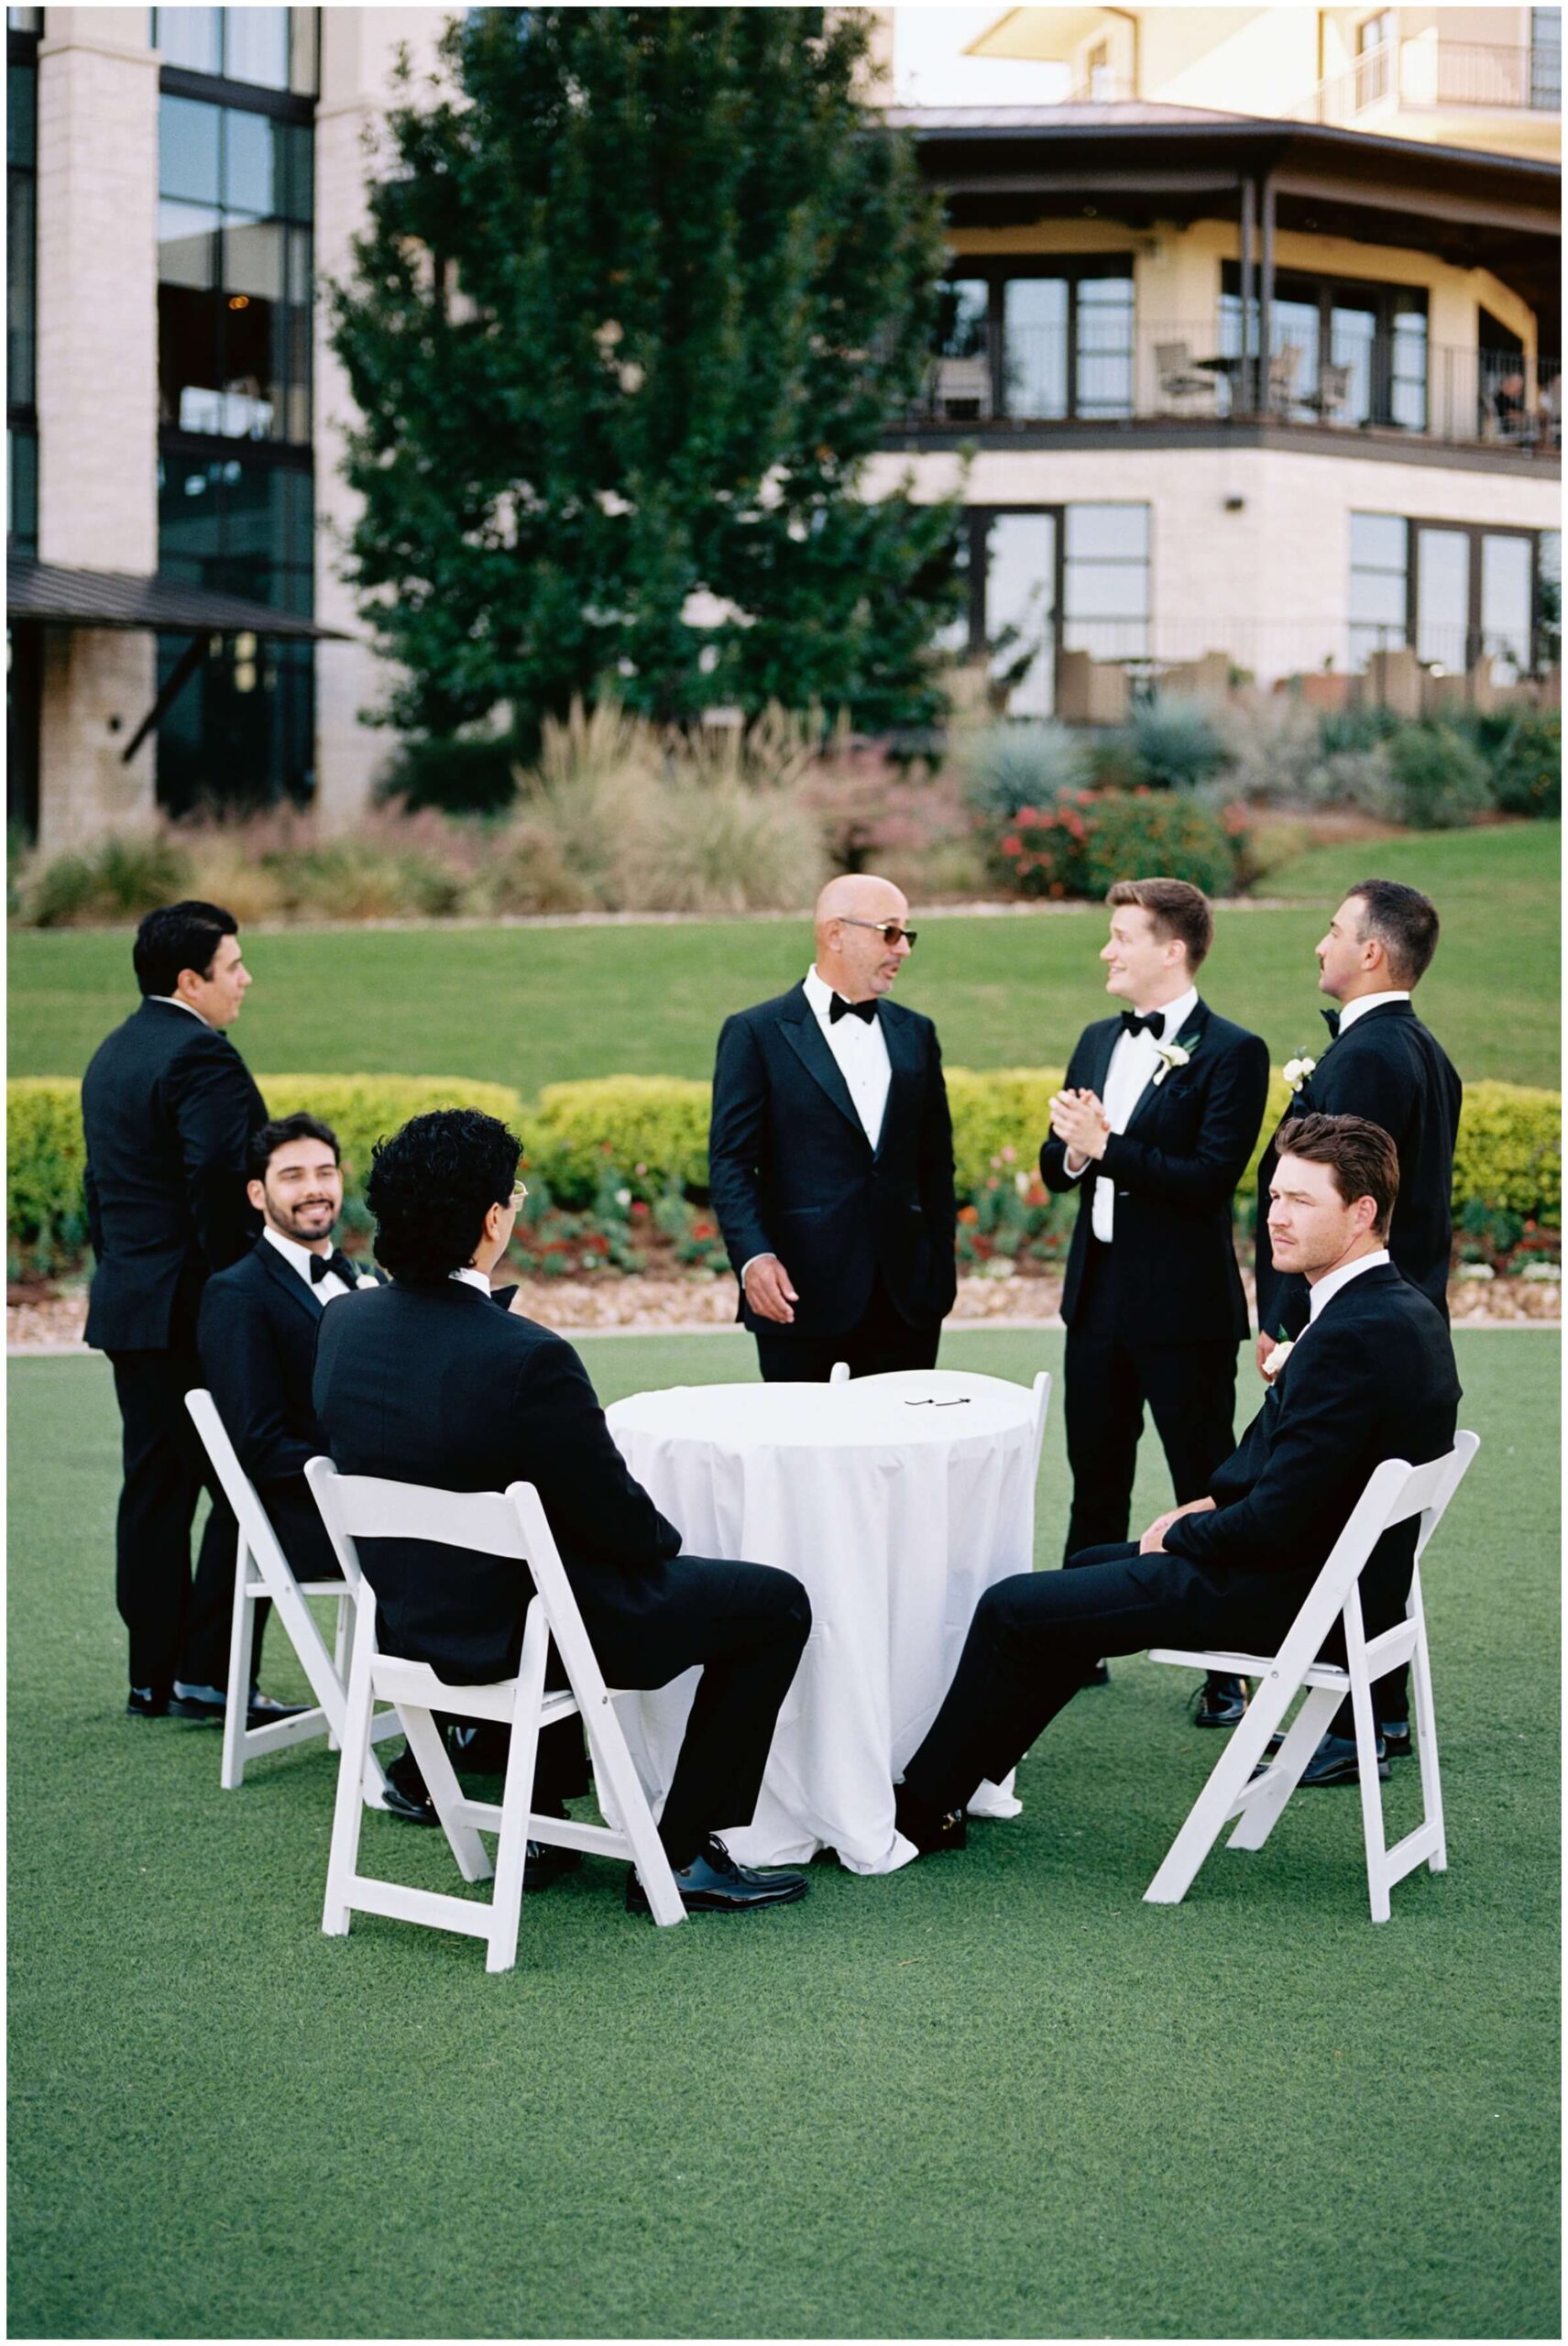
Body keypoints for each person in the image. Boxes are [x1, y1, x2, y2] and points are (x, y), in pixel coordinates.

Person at [894, 1115, 1462, 1851]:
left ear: (1361, 1212)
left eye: (1300, 1201)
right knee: (1088, 1566)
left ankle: (920, 1806)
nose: (1275, 1218)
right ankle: (963, 1781)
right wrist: (1210, 1503)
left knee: (1009, 1606)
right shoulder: (1396, 1309)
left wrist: (1181, 1532)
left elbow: (1276, 1523)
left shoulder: (1352, 1333)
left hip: (1292, 1595)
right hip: (1339, 1582)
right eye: (1274, 1197)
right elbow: (1301, 1471)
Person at [313, 1108, 814, 1915]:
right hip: (522, 1635)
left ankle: (540, 1824)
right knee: (775, 1602)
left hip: (406, 1625)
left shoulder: (343, 1325)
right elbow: (622, 1526)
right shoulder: (525, 1357)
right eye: (511, 1194)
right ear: (488, 1221)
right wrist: (666, 1536)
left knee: (534, 1567)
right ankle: (683, 1851)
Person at [1041, 878, 1270, 1728]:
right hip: (1095, 1301)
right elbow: (1053, 1163)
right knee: (1091, 1481)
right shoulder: (1097, 1038)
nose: (1107, 950)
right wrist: (1072, 1153)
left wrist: (1107, 1146)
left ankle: (1225, 1669)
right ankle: (1070, 1638)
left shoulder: (1232, 1051)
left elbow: (1208, 1181)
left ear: (1170, 950)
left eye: (1121, 936)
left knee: (1207, 1486)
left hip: (1184, 1313)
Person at [82, 899, 284, 1722]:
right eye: (233, 967)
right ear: (189, 979)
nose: (246, 980)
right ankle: (210, 1674)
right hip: (194, 1310)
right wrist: (247, 1288)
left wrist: (125, 1272)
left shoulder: (111, 1055)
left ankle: (152, 1676)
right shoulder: (204, 1057)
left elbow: (100, 1191)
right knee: (253, 1493)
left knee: (157, 1491)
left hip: (131, 1306)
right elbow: (215, 1182)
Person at [708, 874, 957, 1382]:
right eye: (890, 932)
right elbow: (731, 1164)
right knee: (804, 1456)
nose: (903, 949)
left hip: (907, 1302)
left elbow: (936, 1163)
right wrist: (754, 1258)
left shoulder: (917, 1033)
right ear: (836, 933)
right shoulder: (755, 1033)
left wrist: (940, 1272)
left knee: (899, 1456)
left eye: (907, 934)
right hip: (800, 1299)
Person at [1255, 879, 1462, 1347]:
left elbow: (1334, 1203)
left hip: (1356, 1327)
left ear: (1371, 954)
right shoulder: (1427, 1051)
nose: (1320, 947)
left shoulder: (1369, 1057)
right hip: (1406, 1316)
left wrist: (1286, 1322)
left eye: (1333, 933)